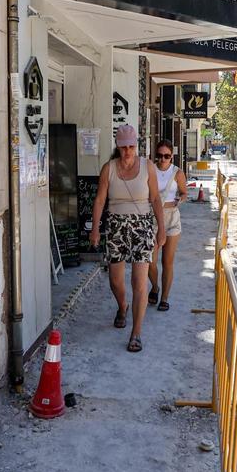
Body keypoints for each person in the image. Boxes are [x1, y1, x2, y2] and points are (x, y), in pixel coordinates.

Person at [89, 124, 166, 353]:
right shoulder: (109, 169)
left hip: (142, 227)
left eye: (132, 146)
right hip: (115, 227)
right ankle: (122, 305)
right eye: (124, 147)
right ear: (118, 147)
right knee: (115, 280)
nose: (128, 152)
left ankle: (136, 333)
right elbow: (100, 201)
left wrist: (161, 228)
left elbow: (155, 199)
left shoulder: (148, 167)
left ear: (137, 145)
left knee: (139, 282)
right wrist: (95, 228)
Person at [148, 140, 187, 311]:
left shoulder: (177, 172)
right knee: (150, 260)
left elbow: (184, 192)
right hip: (152, 218)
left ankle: (164, 298)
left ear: (172, 156)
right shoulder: (150, 170)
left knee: (167, 262)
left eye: (166, 156)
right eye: (160, 155)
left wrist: (181, 199)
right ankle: (155, 287)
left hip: (172, 218)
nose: (163, 159)